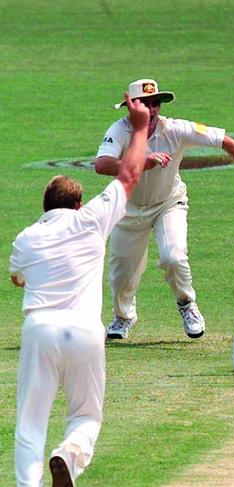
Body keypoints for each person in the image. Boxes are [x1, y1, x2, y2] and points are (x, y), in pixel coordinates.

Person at [10, 95, 150, 486]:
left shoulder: (26, 238)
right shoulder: (91, 220)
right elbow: (129, 176)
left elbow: (17, 277)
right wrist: (139, 128)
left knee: (31, 420)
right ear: (79, 203)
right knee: (87, 416)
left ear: (44, 204)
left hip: (40, 328)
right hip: (86, 330)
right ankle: (67, 457)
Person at [94, 79, 234, 340]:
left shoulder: (175, 129)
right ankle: (123, 317)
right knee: (121, 275)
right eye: (144, 104)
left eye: (155, 104)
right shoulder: (119, 130)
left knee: (173, 257)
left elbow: (223, 140)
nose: (151, 110)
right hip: (127, 209)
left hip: (168, 203)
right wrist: (143, 163)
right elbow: (102, 164)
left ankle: (187, 304)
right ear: (131, 106)